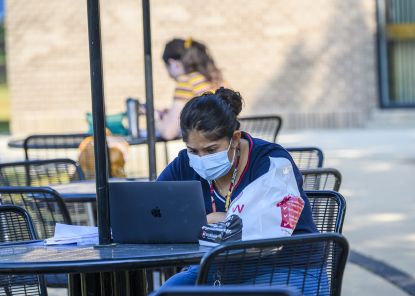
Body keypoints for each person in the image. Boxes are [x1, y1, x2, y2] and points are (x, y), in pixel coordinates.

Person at [157, 88, 323, 292]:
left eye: (211, 150)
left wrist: (202, 221)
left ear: (235, 139)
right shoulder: (185, 163)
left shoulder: (271, 162)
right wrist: (212, 220)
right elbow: (155, 211)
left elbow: (259, 234)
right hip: (217, 268)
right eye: (193, 150)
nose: (201, 159)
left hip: (289, 268)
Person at [157, 37, 226, 140]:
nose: (169, 75)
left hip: (209, 146)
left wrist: (155, 118)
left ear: (172, 63)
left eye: (167, 68)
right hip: (228, 144)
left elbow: (168, 133)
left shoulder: (187, 82)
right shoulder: (215, 79)